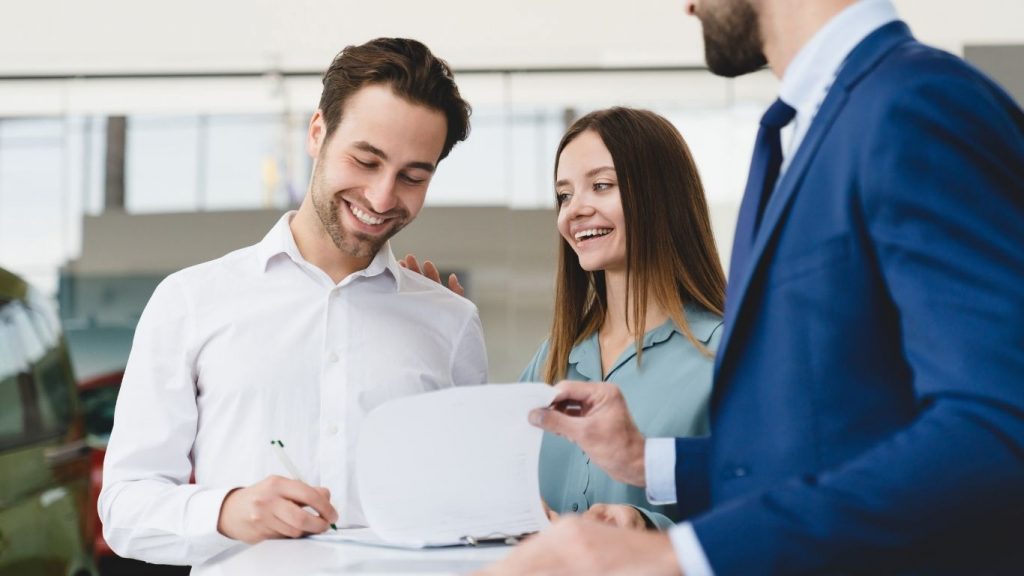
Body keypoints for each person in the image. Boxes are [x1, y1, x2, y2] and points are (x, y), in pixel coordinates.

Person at [480, 0, 1024, 574]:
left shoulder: (916, 104)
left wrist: (681, 553)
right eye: (565, 193)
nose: (685, 5)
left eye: (602, 185)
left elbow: (998, 430)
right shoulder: (807, 128)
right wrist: (648, 460)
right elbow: (837, 445)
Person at [99, 37, 488, 567]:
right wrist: (227, 511)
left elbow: (473, 509)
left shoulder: (451, 323)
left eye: (412, 177)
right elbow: (124, 509)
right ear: (317, 132)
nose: (381, 198)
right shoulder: (190, 301)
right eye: (365, 160)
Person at [519, 107, 725, 530]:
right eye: (564, 194)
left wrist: (647, 527)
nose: (575, 210)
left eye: (601, 185)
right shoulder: (553, 359)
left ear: (660, 195)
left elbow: (771, 513)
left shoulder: (727, 354)